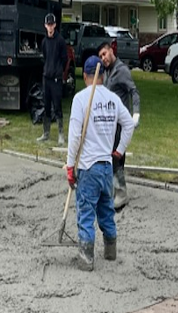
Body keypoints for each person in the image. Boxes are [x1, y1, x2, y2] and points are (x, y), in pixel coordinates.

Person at [65, 55, 134, 270]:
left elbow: (75, 135)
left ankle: (86, 258)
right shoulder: (113, 99)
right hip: (106, 168)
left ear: (85, 75)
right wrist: (119, 151)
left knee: (86, 211)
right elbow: (129, 124)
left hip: (88, 167)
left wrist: (69, 165)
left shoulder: (81, 99)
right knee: (106, 211)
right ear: (102, 75)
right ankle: (110, 252)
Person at [97, 42, 141, 210]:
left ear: (111, 50)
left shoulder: (121, 70)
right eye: (101, 56)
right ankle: (113, 190)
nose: (103, 58)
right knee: (109, 155)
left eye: (104, 54)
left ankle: (121, 193)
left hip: (120, 123)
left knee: (117, 156)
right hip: (108, 123)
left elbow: (134, 92)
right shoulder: (106, 72)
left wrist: (135, 114)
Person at [37, 12, 70, 145]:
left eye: (52, 24)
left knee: (57, 106)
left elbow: (65, 58)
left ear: (55, 25)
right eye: (48, 25)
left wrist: (59, 71)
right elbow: (44, 56)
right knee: (46, 105)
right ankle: (46, 133)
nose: (50, 27)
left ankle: (61, 134)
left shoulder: (60, 41)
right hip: (46, 77)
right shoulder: (44, 42)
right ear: (45, 26)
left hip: (56, 78)